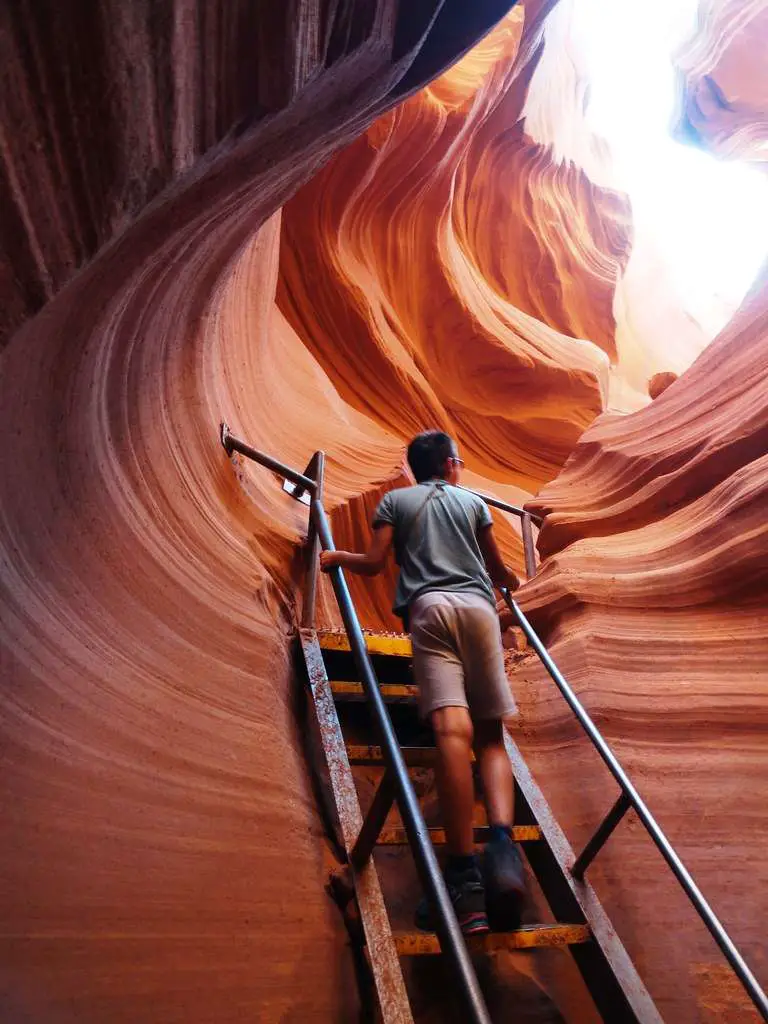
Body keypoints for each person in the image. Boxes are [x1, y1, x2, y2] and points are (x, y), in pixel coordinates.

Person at [320, 430, 525, 936]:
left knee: (451, 735)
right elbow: (498, 570)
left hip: (429, 610)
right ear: (452, 464)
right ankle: (502, 847)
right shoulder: (473, 502)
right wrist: (513, 586)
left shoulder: (396, 500)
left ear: (414, 468)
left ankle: (464, 877)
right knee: (490, 736)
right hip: (480, 611)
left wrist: (336, 559)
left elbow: (372, 565)